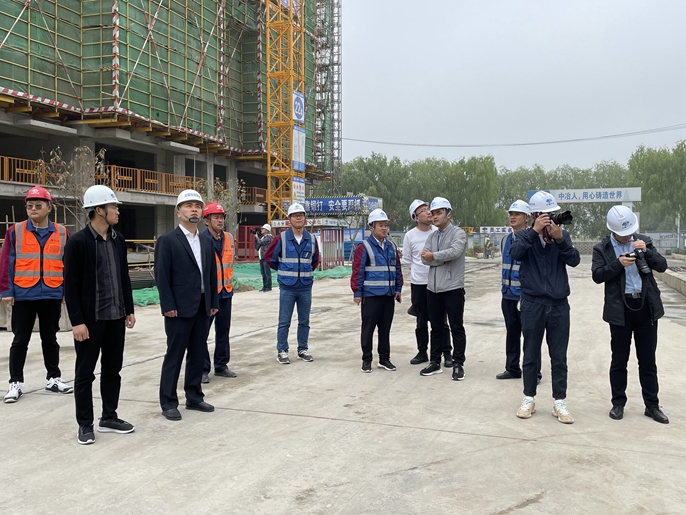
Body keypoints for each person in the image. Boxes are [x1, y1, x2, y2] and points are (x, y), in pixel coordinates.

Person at [63, 185, 136, 445]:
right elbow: (70, 285)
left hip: (116, 318)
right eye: (113, 206)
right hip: (90, 321)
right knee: (85, 374)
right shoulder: (78, 242)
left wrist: (129, 309)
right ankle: (85, 424)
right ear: (99, 210)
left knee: (113, 370)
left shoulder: (119, 240)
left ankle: (109, 417)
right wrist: (77, 322)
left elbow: (123, 276)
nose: (117, 211)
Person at [591, 205, 669, 424]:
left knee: (648, 360)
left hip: (645, 307)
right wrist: (618, 264)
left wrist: (647, 251)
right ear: (613, 230)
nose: (628, 236)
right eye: (623, 233)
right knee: (619, 359)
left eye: (630, 231)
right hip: (620, 309)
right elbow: (597, 275)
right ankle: (618, 403)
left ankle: (652, 405)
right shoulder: (603, 248)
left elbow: (662, 266)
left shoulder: (644, 241)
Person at [511, 190, 580, 424]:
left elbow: (574, 260)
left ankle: (560, 402)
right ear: (534, 215)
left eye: (553, 214)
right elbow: (516, 254)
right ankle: (528, 398)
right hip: (532, 303)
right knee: (531, 353)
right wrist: (534, 232)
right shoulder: (523, 235)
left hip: (559, 305)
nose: (551, 218)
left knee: (559, 356)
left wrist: (560, 239)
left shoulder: (562, 235)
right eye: (546, 214)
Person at [1, 186, 72, 403]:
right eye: (30, 205)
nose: (33, 209)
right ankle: (15, 382)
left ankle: (53, 378)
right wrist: (6, 291)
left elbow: (69, 265)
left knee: (50, 339)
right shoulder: (15, 231)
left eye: (38, 205)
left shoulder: (62, 233)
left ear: (49, 208)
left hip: (51, 293)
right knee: (20, 340)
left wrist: (66, 291)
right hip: (23, 294)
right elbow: (6, 262)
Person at [155, 190, 219, 422]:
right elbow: (162, 275)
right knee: (174, 355)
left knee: (198, 352)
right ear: (178, 211)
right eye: (189, 205)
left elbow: (211, 274)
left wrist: (213, 301)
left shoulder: (205, 241)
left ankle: (194, 396)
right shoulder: (168, 240)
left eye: (197, 206)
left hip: (202, 306)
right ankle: (168, 402)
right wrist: (168, 305)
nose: (194, 209)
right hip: (178, 308)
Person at [264, 203, 319, 364]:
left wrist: (304, 272)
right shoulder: (281, 238)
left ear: (305, 218)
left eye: (301, 215)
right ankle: (282, 350)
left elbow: (315, 261)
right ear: (289, 219)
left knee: (304, 321)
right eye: (295, 215)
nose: (298, 218)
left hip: (305, 286)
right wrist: (283, 270)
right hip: (287, 287)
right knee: (284, 321)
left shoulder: (311, 239)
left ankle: (303, 349)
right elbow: (269, 257)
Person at [419, 197, 468, 381]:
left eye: (439, 213)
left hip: (453, 288)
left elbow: (455, 252)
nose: (435, 216)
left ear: (449, 214)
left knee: (456, 327)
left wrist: (434, 256)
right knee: (436, 328)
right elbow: (423, 259)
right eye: (433, 213)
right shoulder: (432, 236)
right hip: (433, 289)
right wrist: (438, 258)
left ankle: (458, 363)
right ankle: (435, 362)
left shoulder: (458, 233)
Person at [351, 208, 403, 372]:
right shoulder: (364, 247)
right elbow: (357, 271)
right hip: (371, 295)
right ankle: (366, 359)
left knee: (385, 329)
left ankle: (384, 359)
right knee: (368, 329)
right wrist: (357, 292)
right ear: (372, 227)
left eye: (386, 225)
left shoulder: (391, 246)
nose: (384, 228)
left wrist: (398, 288)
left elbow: (397, 269)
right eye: (381, 225)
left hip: (388, 295)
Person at [402, 199, 452, 367]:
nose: (428, 212)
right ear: (415, 217)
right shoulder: (410, 236)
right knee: (421, 320)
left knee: (441, 320)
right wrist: (419, 272)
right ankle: (422, 352)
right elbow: (407, 260)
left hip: (437, 282)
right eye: (423, 211)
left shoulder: (438, 232)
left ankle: (447, 353)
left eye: (428, 209)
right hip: (419, 284)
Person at [497, 199, 541, 383]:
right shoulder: (505, 239)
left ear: (527, 217)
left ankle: (534, 372)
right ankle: (512, 368)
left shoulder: (532, 239)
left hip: (525, 296)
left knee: (530, 335)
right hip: (507, 294)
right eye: (511, 214)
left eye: (517, 214)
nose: (512, 217)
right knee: (512, 332)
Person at [200, 201, 237, 383]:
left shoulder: (229, 238)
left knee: (223, 331)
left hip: (226, 292)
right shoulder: (200, 240)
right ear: (206, 221)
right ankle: (202, 369)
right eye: (215, 217)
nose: (220, 220)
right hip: (207, 296)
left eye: (221, 217)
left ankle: (221, 365)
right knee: (201, 334)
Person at [255, 224, 274, 292]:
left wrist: (257, 238)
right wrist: (256, 239)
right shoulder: (263, 237)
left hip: (266, 257)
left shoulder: (269, 237)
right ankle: (265, 286)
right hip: (261, 257)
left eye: (263, 229)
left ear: (266, 230)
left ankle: (268, 287)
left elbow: (260, 242)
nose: (261, 230)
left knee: (267, 272)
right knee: (263, 273)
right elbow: (257, 246)